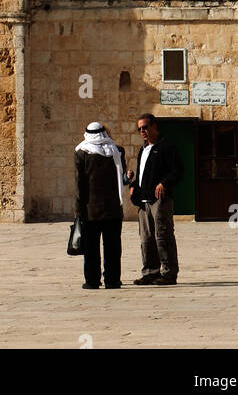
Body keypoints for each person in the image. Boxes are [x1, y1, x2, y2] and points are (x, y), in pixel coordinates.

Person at [130, 113, 183, 285]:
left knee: (163, 236)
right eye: (139, 129)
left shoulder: (166, 146)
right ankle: (150, 272)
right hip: (144, 202)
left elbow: (178, 170)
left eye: (145, 127)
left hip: (160, 200)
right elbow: (141, 175)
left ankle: (168, 273)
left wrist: (164, 183)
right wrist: (133, 187)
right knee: (146, 238)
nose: (142, 131)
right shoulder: (143, 149)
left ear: (154, 126)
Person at [74, 121, 126, 289]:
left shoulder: (81, 153)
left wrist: (78, 208)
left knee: (91, 249)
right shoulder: (115, 151)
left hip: (91, 210)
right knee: (112, 248)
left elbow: (79, 184)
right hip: (113, 210)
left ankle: (92, 280)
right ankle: (112, 280)